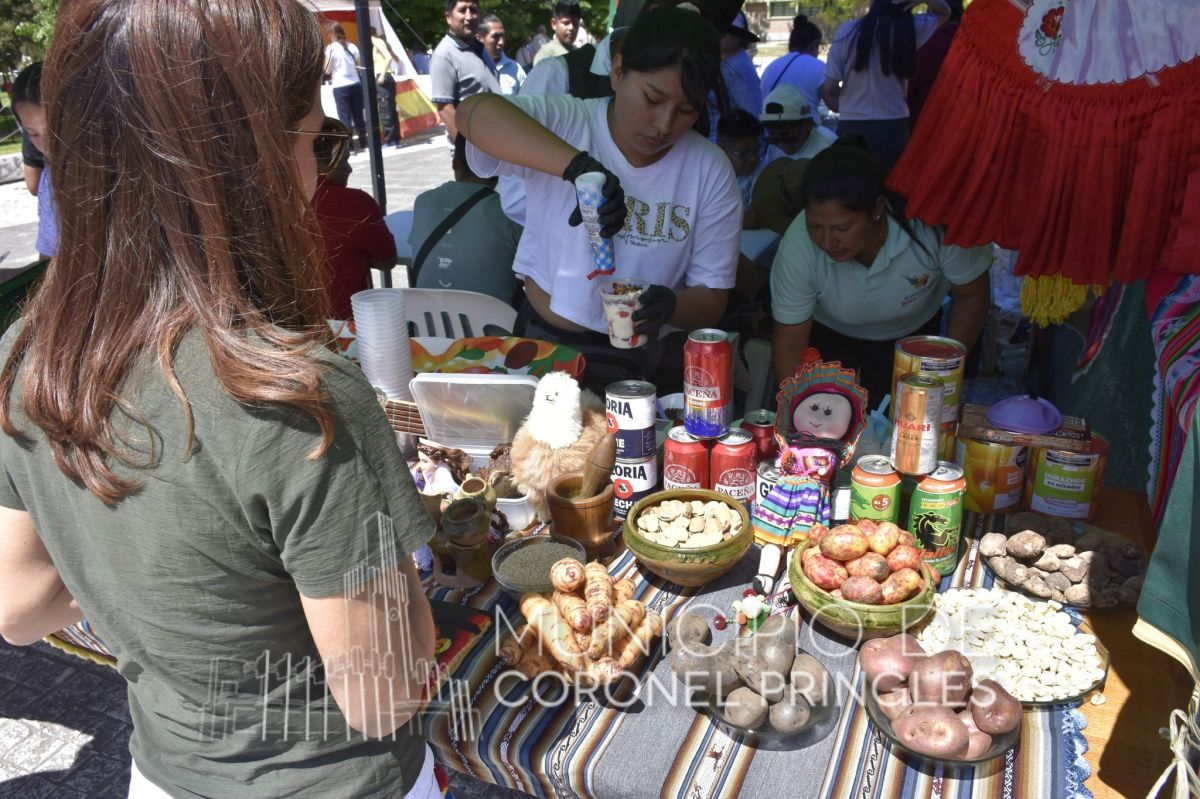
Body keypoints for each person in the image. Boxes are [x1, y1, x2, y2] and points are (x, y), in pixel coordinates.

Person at [0, 2, 437, 797]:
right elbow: (387, 690)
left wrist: (165, 595)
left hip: (165, 775)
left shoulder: (29, 356)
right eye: (317, 141)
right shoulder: (297, 394)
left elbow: (20, 605)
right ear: (253, 163)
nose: (320, 171)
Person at [457, 5, 741, 390]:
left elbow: (712, 296)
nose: (663, 125)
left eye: (685, 110)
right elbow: (473, 113)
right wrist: (577, 168)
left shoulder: (709, 169)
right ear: (618, 70)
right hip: (546, 347)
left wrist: (671, 306)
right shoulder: (570, 122)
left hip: (641, 362)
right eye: (652, 99)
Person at [770, 138, 991, 407]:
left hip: (912, 336)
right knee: (824, 416)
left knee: (905, 420)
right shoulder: (798, 244)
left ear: (878, 209)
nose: (827, 241)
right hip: (830, 333)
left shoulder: (930, 226)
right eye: (815, 226)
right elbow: (790, 342)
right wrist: (797, 411)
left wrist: (944, 371)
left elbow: (972, 294)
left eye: (842, 228)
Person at [820, 0, 951, 169]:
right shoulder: (908, 30)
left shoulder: (847, 30)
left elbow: (829, 87)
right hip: (893, 126)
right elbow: (944, 12)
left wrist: (846, 103)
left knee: (853, 188)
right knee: (889, 188)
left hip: (851, 125)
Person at [409, 134, 522, 305]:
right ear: (499, 170)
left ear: (455, 162)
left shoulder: (422, 201)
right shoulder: (510, 212)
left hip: (427, 326)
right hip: (496, 328)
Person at [311, 118, 397, 319]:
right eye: (344, 160)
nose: (349, 169)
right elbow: (387, 260)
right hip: (350, 329)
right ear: (326, 163)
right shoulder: (357, 203)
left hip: (299, 334)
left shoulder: (280, 203)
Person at [430, 0, 499, 145]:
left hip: (497, 145)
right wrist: (468, 151)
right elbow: (445, 109)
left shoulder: (480, 48)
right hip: (475, 154)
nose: (469, 16)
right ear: (449, 17)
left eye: (473, 10)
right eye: (462, 10)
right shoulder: (444, 55)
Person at [10, 63, 57, 259]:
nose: (46, 146)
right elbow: (47, 251)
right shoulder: (49, 179)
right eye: (33, 134)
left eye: (54, 131)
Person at [906, 0, 964, 128]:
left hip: (922, 122)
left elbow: (909, 90)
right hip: (957, 126)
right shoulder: (968, 43)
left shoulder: (927, 43)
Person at [759, 14, 824, 124]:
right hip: (804, 134)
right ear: (814, 44)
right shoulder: (817, 66)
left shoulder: (771, 66)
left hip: (770, 131)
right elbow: (834, 104)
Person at [760, 83, 836, 162]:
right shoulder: (772, 148)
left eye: (788, 136)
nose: (781, 145)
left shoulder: (827, 147)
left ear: (808, 124)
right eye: (774, 137)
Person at [324, 23, 368, 152]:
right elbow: (359, 65)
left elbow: (327, 70)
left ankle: (350, 147)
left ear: (332, 34)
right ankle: (364, 143)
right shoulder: (352, 46)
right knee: (358, 116)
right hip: (355, 83)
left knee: (344, 117)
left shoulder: (331, 49)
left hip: (340, 85)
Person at [716, 109, 766, 210]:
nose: (753, 158)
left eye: (757, 150)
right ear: (722, 151)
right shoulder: (712, 178)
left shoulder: (764, 176)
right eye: (744, 153)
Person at [478, 14, 525, 96]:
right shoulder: (469, 68)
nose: (501, 42)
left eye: (502, 36)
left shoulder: (515, 69)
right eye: (495, 37)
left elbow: (527, 102)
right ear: (479, 38)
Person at [371, 26, 403, 147]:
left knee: (385, 110)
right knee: (391, 109)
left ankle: (390, 140)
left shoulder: (374, 41)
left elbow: (389, 57)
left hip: (382, 76)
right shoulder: (382, 42)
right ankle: (395, 140)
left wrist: (382, 74)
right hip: (388, 76)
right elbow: (396, 58)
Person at [533, 2, 583, 66]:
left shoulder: (580, 54)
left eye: (575, 23)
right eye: (566, 23)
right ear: (554, 24)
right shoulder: (546, 55)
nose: (571, 28)